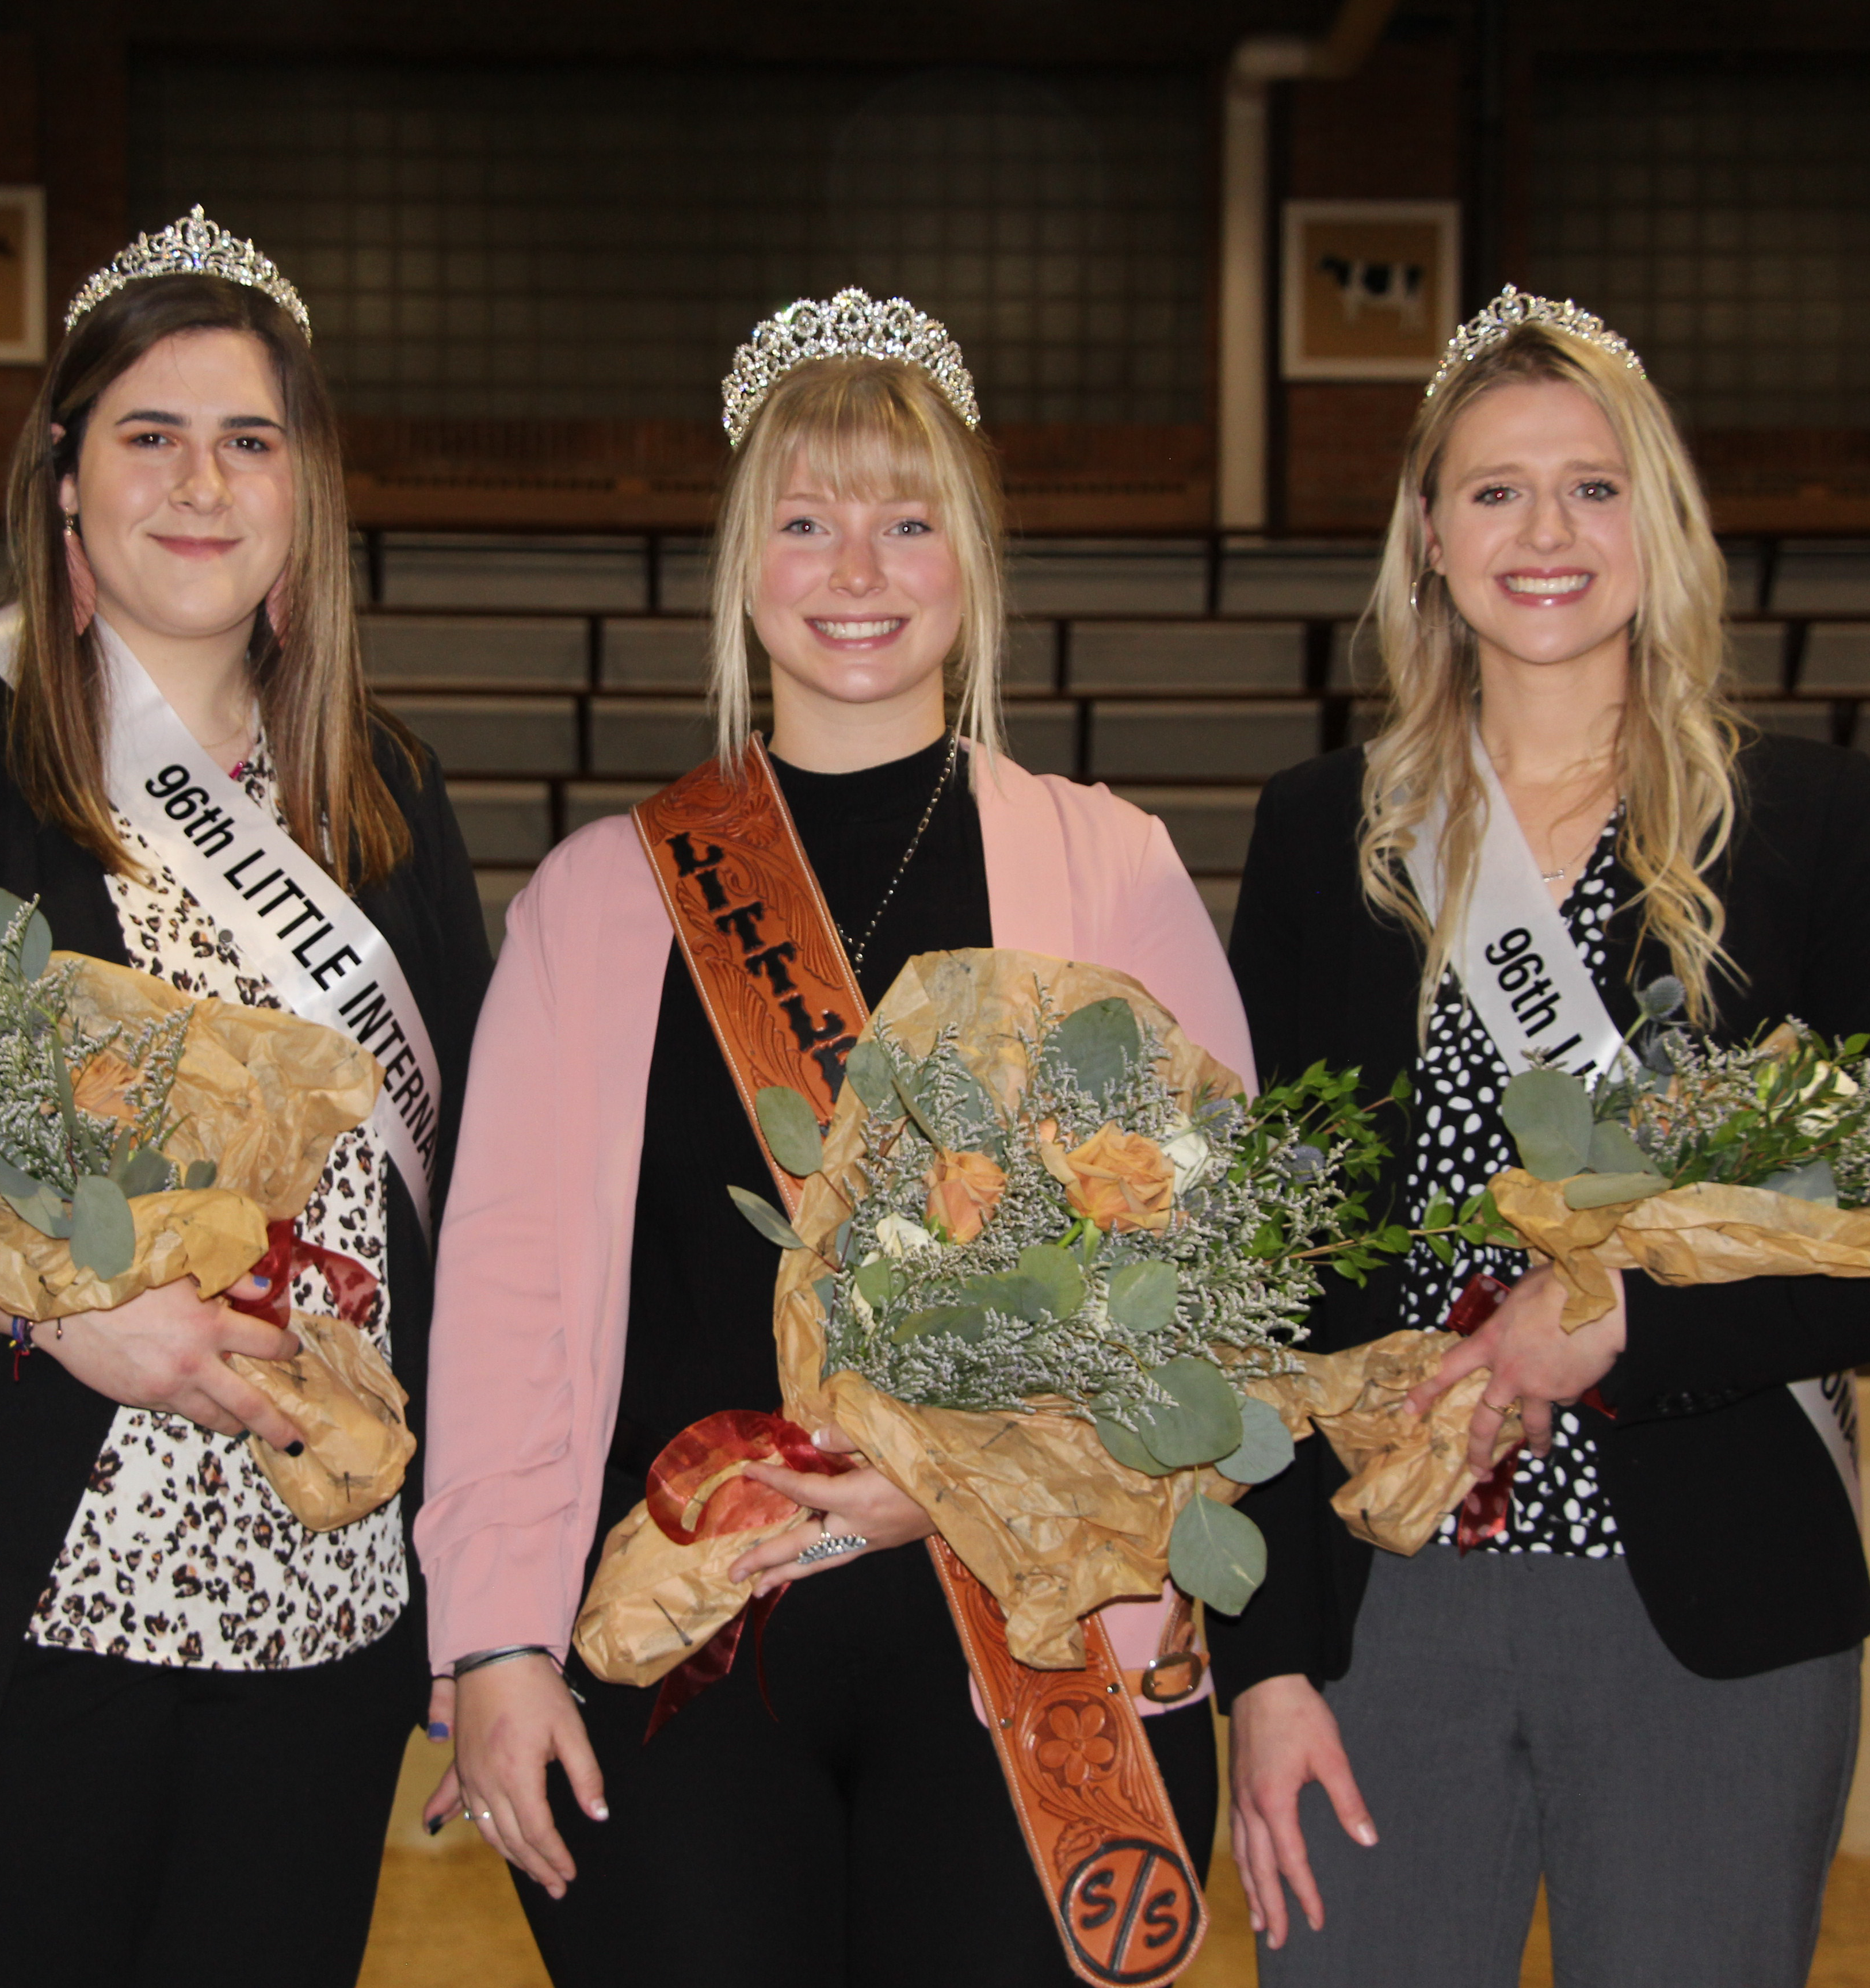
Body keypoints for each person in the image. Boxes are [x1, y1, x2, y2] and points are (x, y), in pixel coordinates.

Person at [0, 209, 491, 1987]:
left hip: (310, 1624)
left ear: (303, 498)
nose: (201, 483)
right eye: (150, 433)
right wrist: (61, 1319)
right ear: (65, 479)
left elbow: (467, 1197)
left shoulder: (390, 799)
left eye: (249, 441)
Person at [413, 293, 1245, 1988]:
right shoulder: (602, 898)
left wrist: (956, 1479)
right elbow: (503, 1298)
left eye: (906, 518)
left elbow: (1221, 1276)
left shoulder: (1113, 869)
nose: (855, 566)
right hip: (680, 1651)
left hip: (1030, 1646)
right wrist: (491, 1645)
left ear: (972, 560)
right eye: (806, 520)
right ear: (743, 564)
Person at [1208, 289, 1870, 1987]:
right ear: (1427, 536)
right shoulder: (1323, 838)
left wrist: (1633, 1328)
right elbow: (1255, 1284)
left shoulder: (1806, 823)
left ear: (1661, 522)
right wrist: (1262, 1665)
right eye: (1495, 489)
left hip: (1709, 1612)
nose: (1547, 532)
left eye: (1594, 485)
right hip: (1383, 1605)